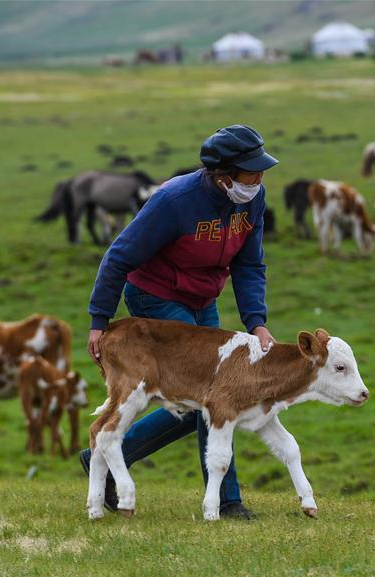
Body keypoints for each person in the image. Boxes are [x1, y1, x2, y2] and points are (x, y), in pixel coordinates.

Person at [79, 124, 278, 519]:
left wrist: (256, 322)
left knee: (209, 397)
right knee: (213, 394)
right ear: (223, 176)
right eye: (251, 172)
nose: (258, 179)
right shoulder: (174, 201)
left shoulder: (251, 198)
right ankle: (226, 501)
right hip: (156, 297)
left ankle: (105, 451)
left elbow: (250, 263)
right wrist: (99, 320)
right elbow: (118, 256)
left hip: (203, 299)